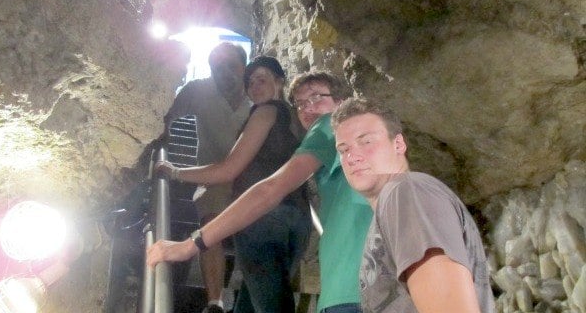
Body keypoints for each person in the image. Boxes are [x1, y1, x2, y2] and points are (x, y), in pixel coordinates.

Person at [148, 71, 374, 313]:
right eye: (300, 103)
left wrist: (192, 243)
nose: (308, 108)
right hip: (354, 277)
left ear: (340, 103)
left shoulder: (325, 125)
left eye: (317, 97)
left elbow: (266, 187)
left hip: (348, 284)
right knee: (257, 296)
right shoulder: (344, 151)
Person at [156, 56, 312, 312]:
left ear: (280, 82)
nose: (255, 86)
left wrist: (174, 172)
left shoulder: (266, 111)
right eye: (250, 82)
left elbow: (228, 170)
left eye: (262, 79)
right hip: (298, 222)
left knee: (272, 305)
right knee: (254, 301)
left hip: (261, 215)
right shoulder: (297, 121)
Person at [331, 97, 495, 313]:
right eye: (343, 150)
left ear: (398, 144)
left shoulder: (406, 193)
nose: (352, 157)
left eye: (366, 141)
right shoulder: (394, 206)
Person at [164, 41, 251, 313]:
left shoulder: (259, 95)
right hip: (213, 177)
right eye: (217, 67)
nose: (224, 72)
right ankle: (215, 303)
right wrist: (160, 145)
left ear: (244, 66)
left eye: (231, 66)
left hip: (252, 179)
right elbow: (164, 118)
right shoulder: (198, 91)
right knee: (210, 225)